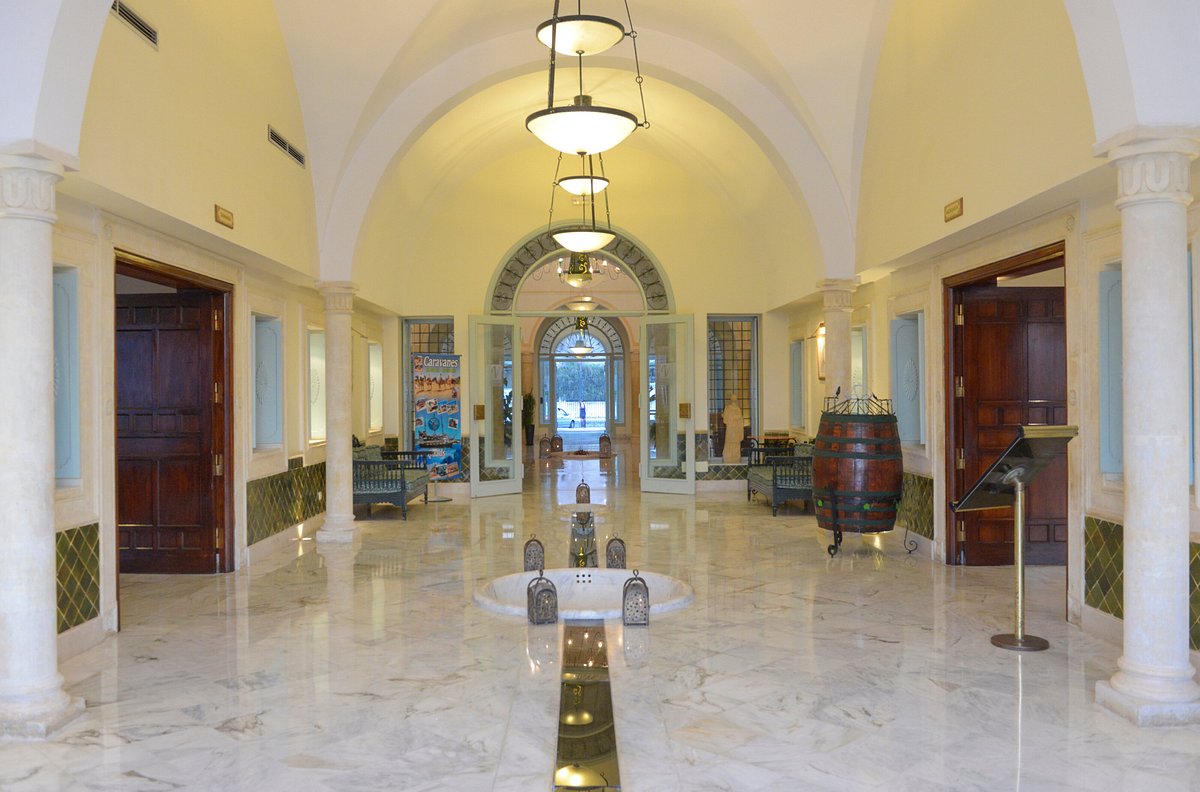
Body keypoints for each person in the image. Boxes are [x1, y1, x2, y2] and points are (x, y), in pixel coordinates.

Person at [722, 393, 743, 462]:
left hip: (735, 429)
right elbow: (725, 420)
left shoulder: (737, 409)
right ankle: (729, 456)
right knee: (730, 441)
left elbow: (740, 419)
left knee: (734, 442)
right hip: (731, 428)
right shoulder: (728, 408)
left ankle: (735, 456)